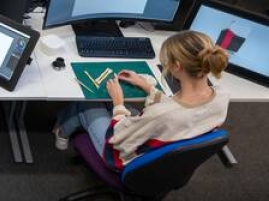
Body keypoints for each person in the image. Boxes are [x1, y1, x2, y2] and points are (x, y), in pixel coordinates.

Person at [53, 30, 230, 171]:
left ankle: (62, 132)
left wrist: (118, 103)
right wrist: (146, 86)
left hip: (124, 159)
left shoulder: (161, 114)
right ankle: (63, 131)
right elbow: (175, 109)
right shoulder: (222, 95)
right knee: (107, 104)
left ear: (177, 66)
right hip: (171, 145)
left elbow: (119, 136)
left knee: (89, 103)